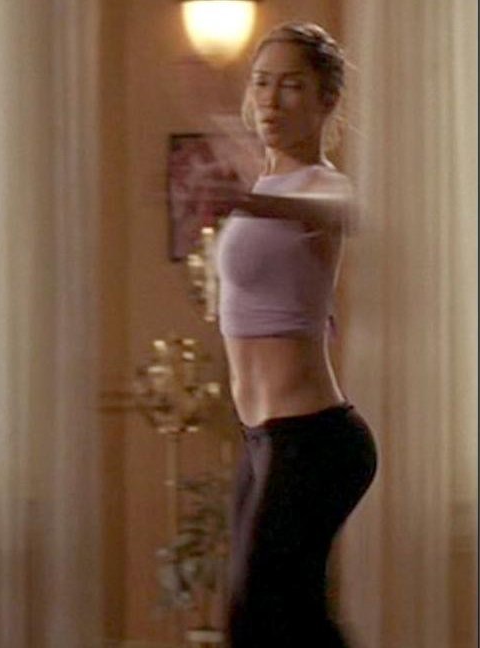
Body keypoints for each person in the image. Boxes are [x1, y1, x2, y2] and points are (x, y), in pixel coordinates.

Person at [210, 22, 378, 647]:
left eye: (291, 86)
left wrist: (254, 205)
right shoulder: (264, 184)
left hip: (315, 440)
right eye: (261, 84)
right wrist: (251, 196)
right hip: (264, 440)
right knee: (269, 622)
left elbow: (341, 215)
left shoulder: (321, 186)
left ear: (326, 100)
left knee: (265, 616)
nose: (271, 101)